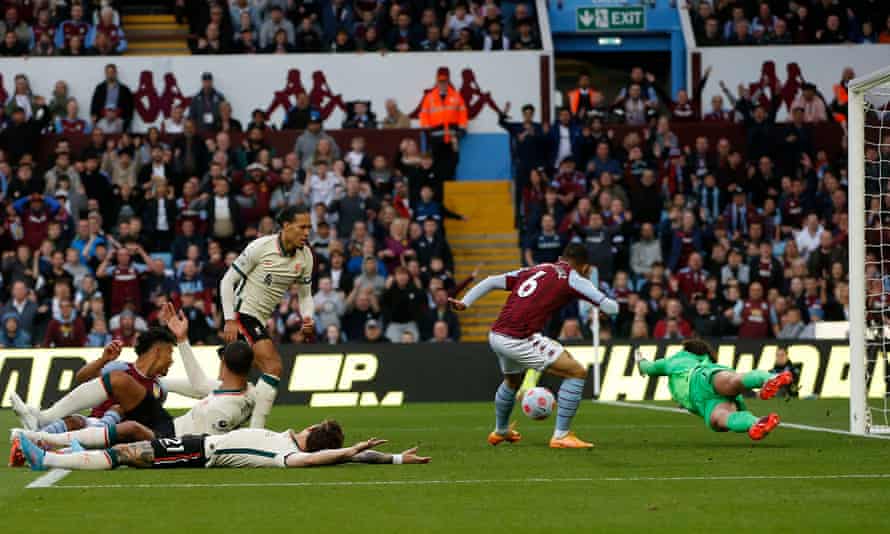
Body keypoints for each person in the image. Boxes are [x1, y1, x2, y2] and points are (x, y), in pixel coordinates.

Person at [10, 304, 256, 455]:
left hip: (135, 434)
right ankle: (40, 424)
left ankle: (41, 434)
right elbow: (82, 378)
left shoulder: (162, 387)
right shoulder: (121, 368)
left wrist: (180, 340)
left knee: (103, 419)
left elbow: (197, 386)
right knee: (79, 418)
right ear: (158, 351)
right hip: (106, 425)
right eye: (168, 354)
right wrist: (102, 361)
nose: (171, 361)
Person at [449, 243, 619, 448]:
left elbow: (491, 281)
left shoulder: (536, 269)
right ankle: (561, 435)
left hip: (497, 335)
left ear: (560, 257)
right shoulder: (573, 277)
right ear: (585, 267)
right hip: (518, 338)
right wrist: (604, 307)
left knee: (513, 382)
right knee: (576, 372)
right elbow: (612, 307)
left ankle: (501, 431)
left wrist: (465, 302)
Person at [219, 205, 315, 429]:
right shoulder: (261, 247)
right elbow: (227, 281)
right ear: (286, 226)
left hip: (259, 320)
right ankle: (257, 430)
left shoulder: (306, 256)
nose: (307, 233)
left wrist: (307, 317)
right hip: (243, 314)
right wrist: (230, 319)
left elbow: (305, 295)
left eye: (309, 228)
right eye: (302, 227)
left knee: (228, 385)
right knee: (273, 367)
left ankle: (160, 388)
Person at [18, 423, 430, 471]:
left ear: (315, 435)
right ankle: (66, 450)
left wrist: (348, 450)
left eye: (317, 424)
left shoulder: (292, 455)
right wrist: (393, 456)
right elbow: (352, 456)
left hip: (201, 454)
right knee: (133, 442)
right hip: (197, 442)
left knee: (127, 454)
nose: (312, 422)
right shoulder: (285, 438)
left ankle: (49, 458)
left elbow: (322, 458)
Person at [636, 339, 792, 440]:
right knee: (734, 381)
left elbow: (648, 368)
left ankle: (753, 422)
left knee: (721, 417)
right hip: (706, 377)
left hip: (699, 396)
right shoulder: (707, 361)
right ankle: (768, 379)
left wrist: (640, 359)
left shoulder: (675, 360)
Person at [419, 67, 468, 181]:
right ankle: (439, 194)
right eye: (440, 81)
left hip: (452, 139)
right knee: (436, 168)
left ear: (448, 81)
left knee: (452, 166)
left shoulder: (456, 96)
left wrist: (460, 132)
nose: (443, 84)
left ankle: (449, 193)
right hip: (436, 140)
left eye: (445, 81)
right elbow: (424, 115)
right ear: (436, 81)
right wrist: (428, 132)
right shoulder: (429, 97)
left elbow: (463, 115)